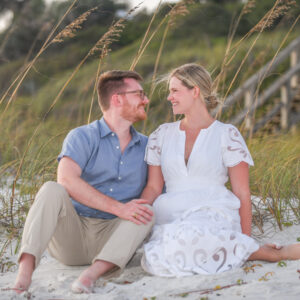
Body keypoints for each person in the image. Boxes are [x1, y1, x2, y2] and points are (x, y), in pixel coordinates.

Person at [138, 63, 300, 277]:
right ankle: (252, 252)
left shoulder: (227, 134)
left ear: (195, 91)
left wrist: (246, 238)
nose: (170, 97)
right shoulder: (162, 134)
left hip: (213, 210)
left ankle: (259, 251)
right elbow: (153, 186)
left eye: (175, 91)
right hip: (172, 214)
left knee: (195, 235)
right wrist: (137, 210)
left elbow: (242, 192)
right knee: (162, 252)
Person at [13, 70, 154, 293]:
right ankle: (25, 272)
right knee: (52, 188)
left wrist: (129, 211)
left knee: (147, 211)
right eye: (139, 94)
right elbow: (66, 179)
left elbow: (154, 189)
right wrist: (119, 208)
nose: (146, 100)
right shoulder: (82, 136)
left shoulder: (148, 146)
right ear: (117, 99)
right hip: (73, 235)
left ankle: (91, 275)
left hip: (114, 240)